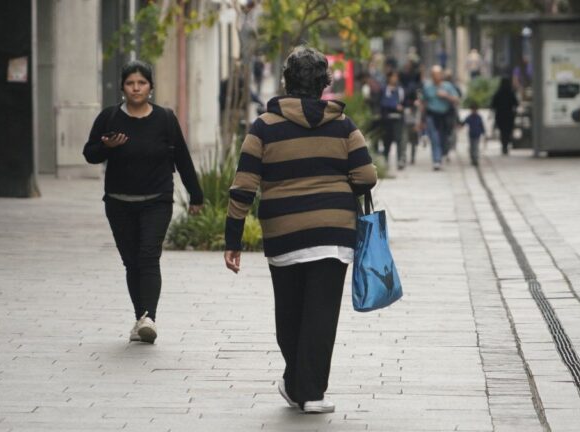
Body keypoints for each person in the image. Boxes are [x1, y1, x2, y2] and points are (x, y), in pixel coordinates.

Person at [223, 46, 377, 414]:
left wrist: (233, 239)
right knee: (321, 314)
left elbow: (243, 186)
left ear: (285, 82)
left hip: (284, 233)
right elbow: (366, 176)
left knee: (289, 313)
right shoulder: (343, 125)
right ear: (324, 84)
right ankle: (307, 391)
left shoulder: (264, 127)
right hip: (333, 232)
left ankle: (300, 385)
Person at [83, 60, 204, 344]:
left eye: (141, 83)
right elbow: (90, 154)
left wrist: (196, 195)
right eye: (130, 83)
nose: (136, 88)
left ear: (150, 87)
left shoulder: (165, 119)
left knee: (149, 256)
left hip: (157, 201)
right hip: (118, 202)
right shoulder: (109, 117)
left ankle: (149, 318)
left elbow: (182, 159)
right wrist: (106, 146)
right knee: (131, 262)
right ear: (123, 87)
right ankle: (141, 319)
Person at [420, 65, 460, 170]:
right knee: (434, 138)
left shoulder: (448, 86)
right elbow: (423, 103)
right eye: (434, 75)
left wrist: (446, 96)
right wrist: (421, 120)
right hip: (432, 115)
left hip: (445, 116)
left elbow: (457, 100)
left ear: (441, 75)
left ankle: (442, 154)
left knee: (444, 138)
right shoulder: (427, 87)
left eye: (438, 74)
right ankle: (436, 160)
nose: (436, 77)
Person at [380, 71, 406, 169]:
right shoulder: (384, 89)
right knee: (387, 140)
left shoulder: (400, 90)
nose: (394, 79)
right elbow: (382, 102)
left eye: (396, 77)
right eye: (393, 77)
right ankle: (386, 159)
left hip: (398, 118)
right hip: (387, 118)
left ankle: (400, 160)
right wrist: (394, 106)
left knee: (399, 139)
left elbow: (404, 102)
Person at [490, 77, 518, 155]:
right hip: (509, 115)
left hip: (500, 115)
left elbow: (493, 105)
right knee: (508, 131)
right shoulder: (511, 93)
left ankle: (504, 145)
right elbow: (516, 103)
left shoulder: (498, 93)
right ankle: (506, 144)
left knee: (502, 132)